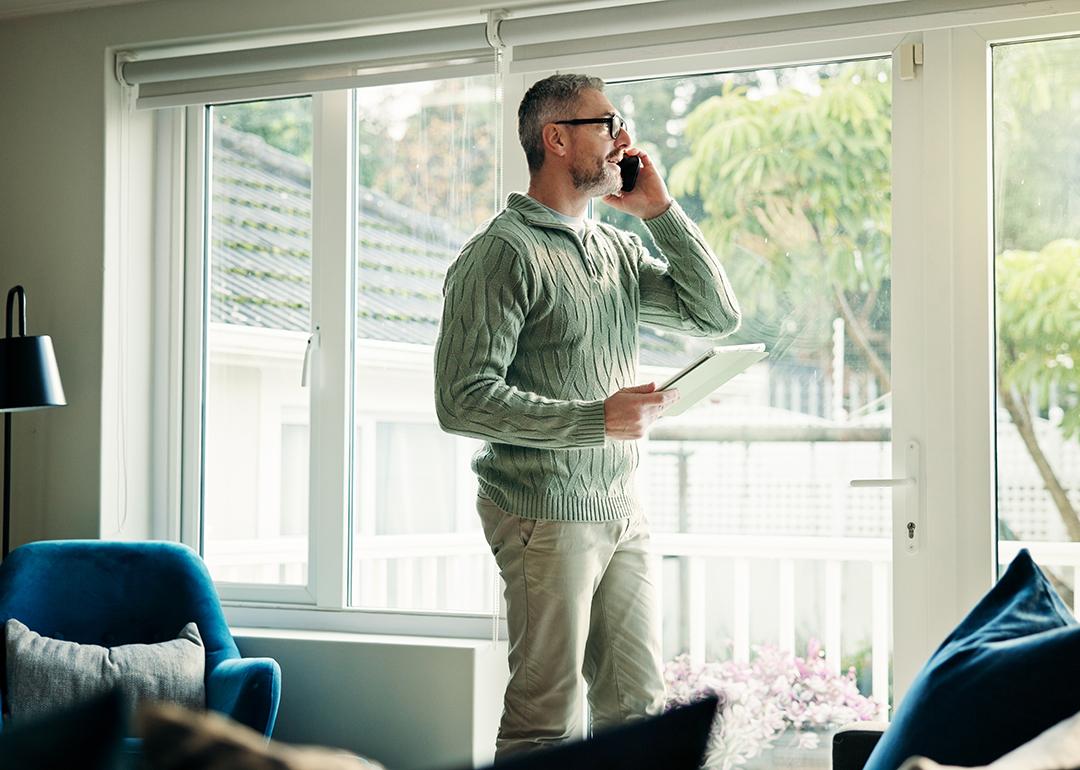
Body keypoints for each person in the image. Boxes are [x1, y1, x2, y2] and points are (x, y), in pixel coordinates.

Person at [434, 73, 741, 759]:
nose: (623, 139)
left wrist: (659, 212)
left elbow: (717, 315)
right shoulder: (503, 252)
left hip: (622, 507)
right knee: (545, 719)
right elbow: (461, 399)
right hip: (543, 512)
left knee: (638, 710)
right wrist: (594, 421)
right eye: (609, 123)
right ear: (556, 138)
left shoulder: (615, 251)